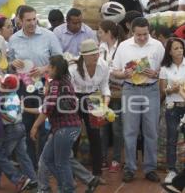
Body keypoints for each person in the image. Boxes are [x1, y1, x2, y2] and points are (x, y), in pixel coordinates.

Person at [8, 5, 62, 169]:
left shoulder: (48, 36)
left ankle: (45, 163)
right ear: (20, 20)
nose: (32, 23)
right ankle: (31, 165)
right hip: (23, 87)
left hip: (45, 85)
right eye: (28, 20)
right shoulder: (14, 39)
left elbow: (59, 60)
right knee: (25, 124)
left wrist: (44, 68)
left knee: (45, 126)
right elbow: (10, 65)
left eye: (34, 19)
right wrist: (12, 64)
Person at [112, 17, 165, 183]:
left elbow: (164, 69)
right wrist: (124, 74)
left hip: (151, 90)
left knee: (151, 131)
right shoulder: (124, 46)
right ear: (131, 32)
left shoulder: (157, 45)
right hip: (130, 89)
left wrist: (156, 74)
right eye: (139, 35)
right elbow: (115, 71)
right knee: (130, 130)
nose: (142, 38)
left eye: (145, 34)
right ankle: (130, 168)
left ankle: (150, 168)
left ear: (149, 31)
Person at [30, 55, 82, 193]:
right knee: (49, 160)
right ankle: (66, 185)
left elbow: (48, 107)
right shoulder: (65, 81)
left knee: (60, 162)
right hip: (66, 127)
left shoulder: (55, 83)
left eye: (49, 66)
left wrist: (35, 125)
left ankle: (68, 188)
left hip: (65, 128)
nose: (47, 68)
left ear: (54, 68)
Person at [69, 39, 110, 179]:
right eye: (92, 54)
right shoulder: (73, 67)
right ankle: (71, 172)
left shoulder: (103, 65)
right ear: (84, 56)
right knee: (74, 134)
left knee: (95, 134)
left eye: (97, 53)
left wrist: (106, 102)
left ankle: (97, 172)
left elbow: (105, 86)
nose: (96, 56)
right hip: (75, 97)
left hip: (94, 97)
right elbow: (69, 88)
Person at [0, 74, 37, 189]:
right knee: (22, 155)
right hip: (19, 128)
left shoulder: (10, 99)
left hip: (13, 129)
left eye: (2, 84)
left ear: (7, 86)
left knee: (1, 156)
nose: (0, 85)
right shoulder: (13, 95)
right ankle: (33, 179)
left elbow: (11, 118)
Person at [97, 20, 125, 172]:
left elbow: (123, 70)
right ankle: (101, 158)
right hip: (101, 91)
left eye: (100, 32)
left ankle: (116, 159)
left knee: (116, 127)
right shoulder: (100, 47)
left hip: (118, 92)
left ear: (108, 33)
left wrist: (111, 71)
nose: (98, 34)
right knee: (101, 126)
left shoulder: (122, 46)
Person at [159, 38, 185, 183]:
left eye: (181, 47)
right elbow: (162, 90)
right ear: (169, 51)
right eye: (176, 48)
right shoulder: (165, 69)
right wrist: (172, 89)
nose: (179, 50)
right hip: (172, 107)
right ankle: (171, 170)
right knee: (172, 139)